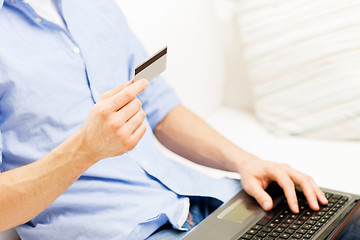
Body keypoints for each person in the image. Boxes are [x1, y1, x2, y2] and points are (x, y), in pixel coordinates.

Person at [2, 0, 355, 239]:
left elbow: (157, 106)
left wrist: (247, 162)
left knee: (344, 220)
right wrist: (84, 150)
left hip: (208, 201)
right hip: (126, 231)